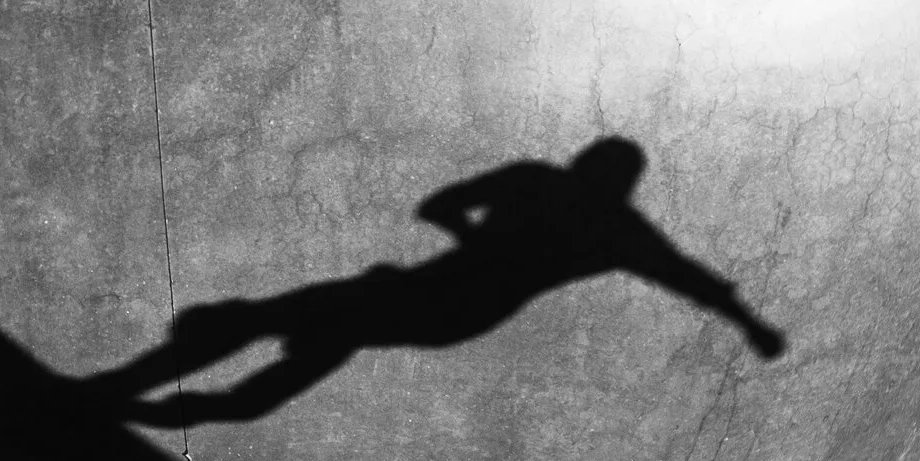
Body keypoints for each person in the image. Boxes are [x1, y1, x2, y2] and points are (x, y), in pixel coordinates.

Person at [94, 137, 785, 427]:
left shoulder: (571, 201)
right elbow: (690, 280)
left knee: (278, 322)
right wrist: (749, 323)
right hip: (440, 309)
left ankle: (125, 395)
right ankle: (132, 400)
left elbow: (689, 278)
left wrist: (474, 239)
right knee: (290, 338)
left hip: (435, 302)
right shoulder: (603, 221)